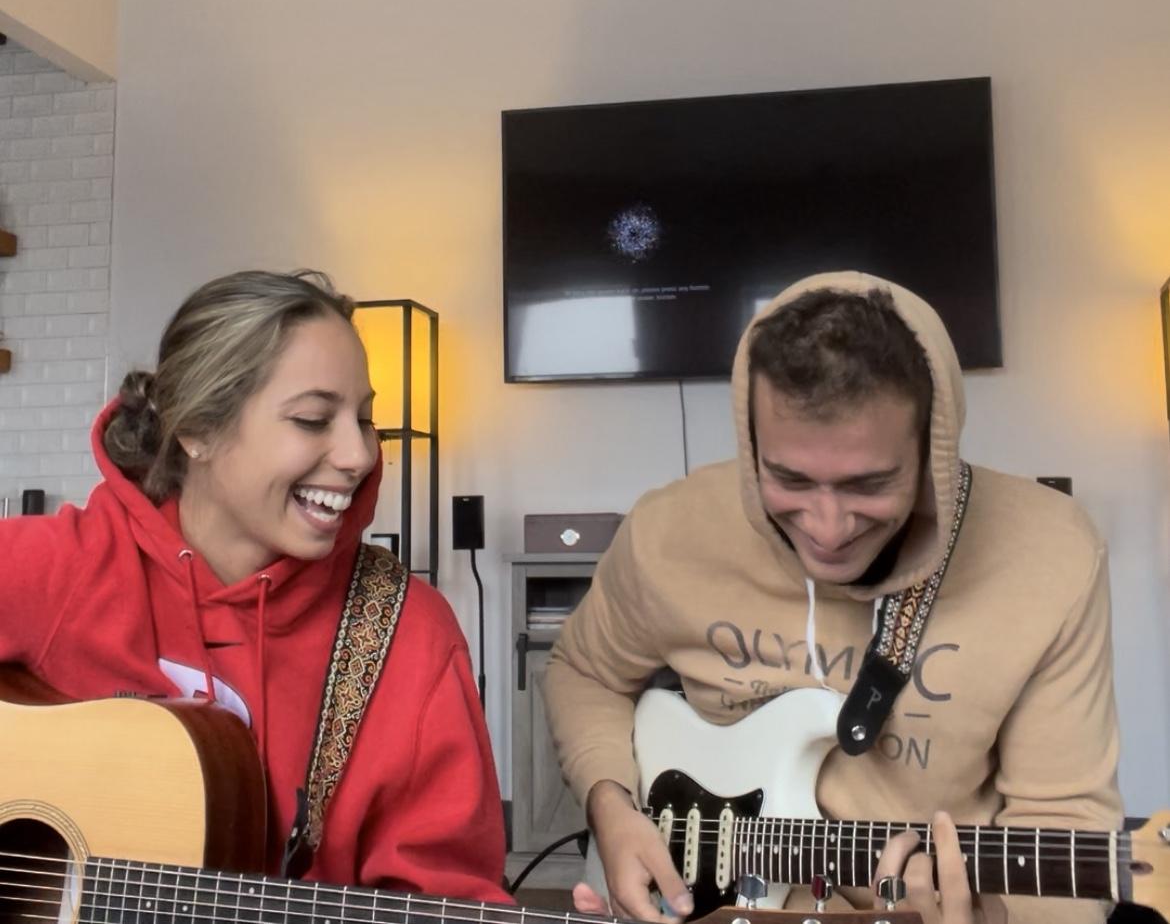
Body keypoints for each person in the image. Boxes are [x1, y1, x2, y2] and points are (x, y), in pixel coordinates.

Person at [544, 270, 1121, 924]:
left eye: (868, 485)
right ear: (751, 446)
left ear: (932, 448)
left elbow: (1063, 820)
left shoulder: (1050, 554)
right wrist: (609, 802)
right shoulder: (668, 530)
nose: (827, 528)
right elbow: (584, 671)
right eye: (789, 480)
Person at [0, 269, 509, 901]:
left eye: (363, 418)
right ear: (197, 430)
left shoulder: (405, 634)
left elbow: (448, 895)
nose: (359, 454)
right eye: (313, 419)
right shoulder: (59, 568)